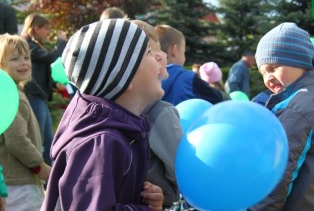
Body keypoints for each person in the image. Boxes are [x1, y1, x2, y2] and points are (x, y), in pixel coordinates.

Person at [41, 18, 164, 211]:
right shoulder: (99, 143)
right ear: (123, 77)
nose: (159, 57)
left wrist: (142, 200)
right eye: (149, 52)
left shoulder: (119, 131)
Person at [251, 22, 314, 210]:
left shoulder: (299, 108)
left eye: (273, 67)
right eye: (263, 72)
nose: (268, 77)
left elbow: (279, 175)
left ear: (299, 61)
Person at [132, 20, 182, 208]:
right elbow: (179, 168)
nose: (161, 57)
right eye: (152, 53)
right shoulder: (161, 112)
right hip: (161, 203)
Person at [0, 34, 51, 211]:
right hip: (20, 183)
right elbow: (17, 140)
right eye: (14, 59)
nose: (23, 63)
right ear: (1, 65)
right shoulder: (12, 98)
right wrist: (39, 166)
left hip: (8, 183)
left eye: (27, 58)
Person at [21, 13, 68, 166]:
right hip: (34, 97)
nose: (48, 32)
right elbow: (49, 58)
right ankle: (41, 175)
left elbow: (41, 71)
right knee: (39, 140)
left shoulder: (36, 45)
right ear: (36, 28)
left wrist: (54, 85)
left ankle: (48, 179)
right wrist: (61, 43)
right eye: (46, 28)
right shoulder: (28, 45)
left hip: (40, 97)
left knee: (48, 140)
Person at [155, 24, 224, 106]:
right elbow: (217, 98)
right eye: (183, 52)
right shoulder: (188, 78)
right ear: (174, 50)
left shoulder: (148, 78)